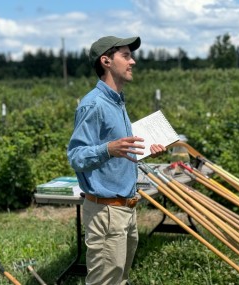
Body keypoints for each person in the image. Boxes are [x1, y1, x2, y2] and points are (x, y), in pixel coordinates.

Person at [67, 35, 166, 285]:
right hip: (106, 211)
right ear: (106, 61)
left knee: (120, 279)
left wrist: (143, 151)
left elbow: (120, 152)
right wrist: (108, 149)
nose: (133, 62)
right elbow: (76, 157)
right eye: (126, 55)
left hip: (126, 207)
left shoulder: (117, 102)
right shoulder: (94, 105)